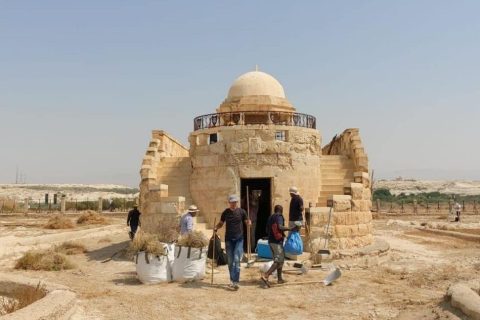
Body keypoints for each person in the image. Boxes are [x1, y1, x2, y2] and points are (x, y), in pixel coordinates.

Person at [214, 194, 250, 290]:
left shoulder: (242, 212)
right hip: (229, 240)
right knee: (230, 261)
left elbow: (246, 221)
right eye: (232, 202)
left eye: (235, 202)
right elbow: (221, 223)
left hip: (239, 239)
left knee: (237, 259)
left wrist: (248, 223)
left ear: (237, 202)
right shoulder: (225, 212)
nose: (234, 204)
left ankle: (236, 281)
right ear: (229, 203)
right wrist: (216, 227)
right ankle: (232, 279)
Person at [261, 205, 293, 287]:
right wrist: (290, 229)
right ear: (281, 210)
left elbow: (267, 229)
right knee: (278, 260)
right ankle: (266, 275)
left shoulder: (270, 217)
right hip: (276, 242)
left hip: (271, 241)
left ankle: (279, 279)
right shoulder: (279, 216)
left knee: (281, 261)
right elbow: (280, 227)